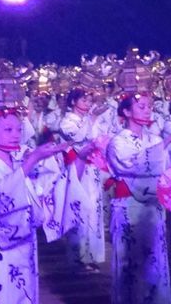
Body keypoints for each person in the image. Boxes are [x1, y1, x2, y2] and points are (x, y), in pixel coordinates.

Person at [0, 109, 65, 304]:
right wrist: (30, 162)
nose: (16, 135)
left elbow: (51, 189)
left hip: (25, 244)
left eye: (18, 129)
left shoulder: (20, 164)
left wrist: (79, 158)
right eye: (8, 129)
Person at [108, 92, 171, 304]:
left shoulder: (154, 139)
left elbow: (164, 172)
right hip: (129, 206)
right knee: (130, 259)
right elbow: (133, 164)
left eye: (149, 106)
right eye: (141, 106)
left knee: (154, 258)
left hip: (153, 207)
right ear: (127, 112)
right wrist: (168, 141)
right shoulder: (118, 141)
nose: (147, 110)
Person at [57, 87, 109, 272]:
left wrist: (94, 121)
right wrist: (92, 120)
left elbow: (99, 138)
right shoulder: (67, 121)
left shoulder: (89, 119)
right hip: (77, 168)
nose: (87, 104)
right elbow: (79, 137)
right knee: (79, 208)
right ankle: (78, 256)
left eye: (89, 101)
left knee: (94, 210)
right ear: (73, 102)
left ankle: (93, 255)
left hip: (92, 168)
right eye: (83, 100)